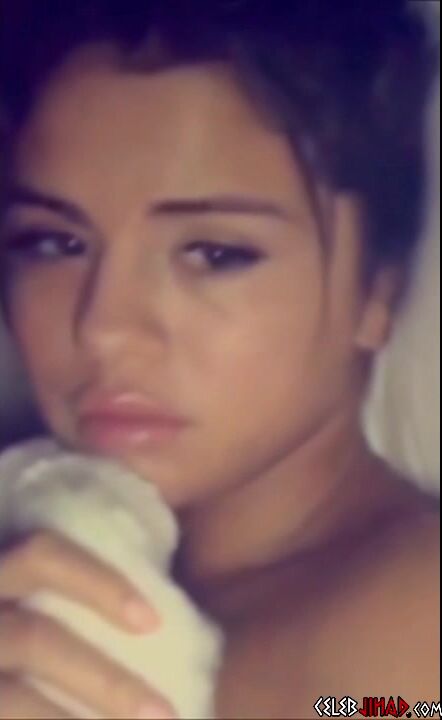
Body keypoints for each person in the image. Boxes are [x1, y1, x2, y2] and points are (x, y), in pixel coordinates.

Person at [0, 2, 439, 718]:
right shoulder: (31, 530)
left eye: (215, 254)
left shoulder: (405, 644)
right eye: (53, 244)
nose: (105, 329)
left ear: (376, 292)